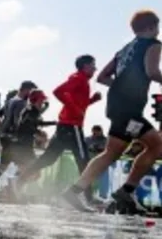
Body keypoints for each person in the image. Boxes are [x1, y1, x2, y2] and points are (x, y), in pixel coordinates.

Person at [61, 10, 162, 214]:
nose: (159, 31)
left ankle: (75, 192)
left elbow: (102, 77)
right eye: (157, 27)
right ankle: (125, 191)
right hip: (131, 108)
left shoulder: (124, 50)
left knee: (112, 153)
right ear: (151, 27)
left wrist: (120, 87)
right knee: (157, 146)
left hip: (116, 105)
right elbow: (152, 71)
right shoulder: (154, 44)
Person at [14, 55, 100, 197]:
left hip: (65, 126)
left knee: (49, 159)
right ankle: (88, 198)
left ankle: (20, 180)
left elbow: (78, 105)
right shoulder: (79, 78)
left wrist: (92, 101)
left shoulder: (81, 80)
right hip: (72, 126)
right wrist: (75, 109)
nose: (95, 69)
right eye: (93, 65)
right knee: (84, 161)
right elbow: (58, 91)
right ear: (85, 66)